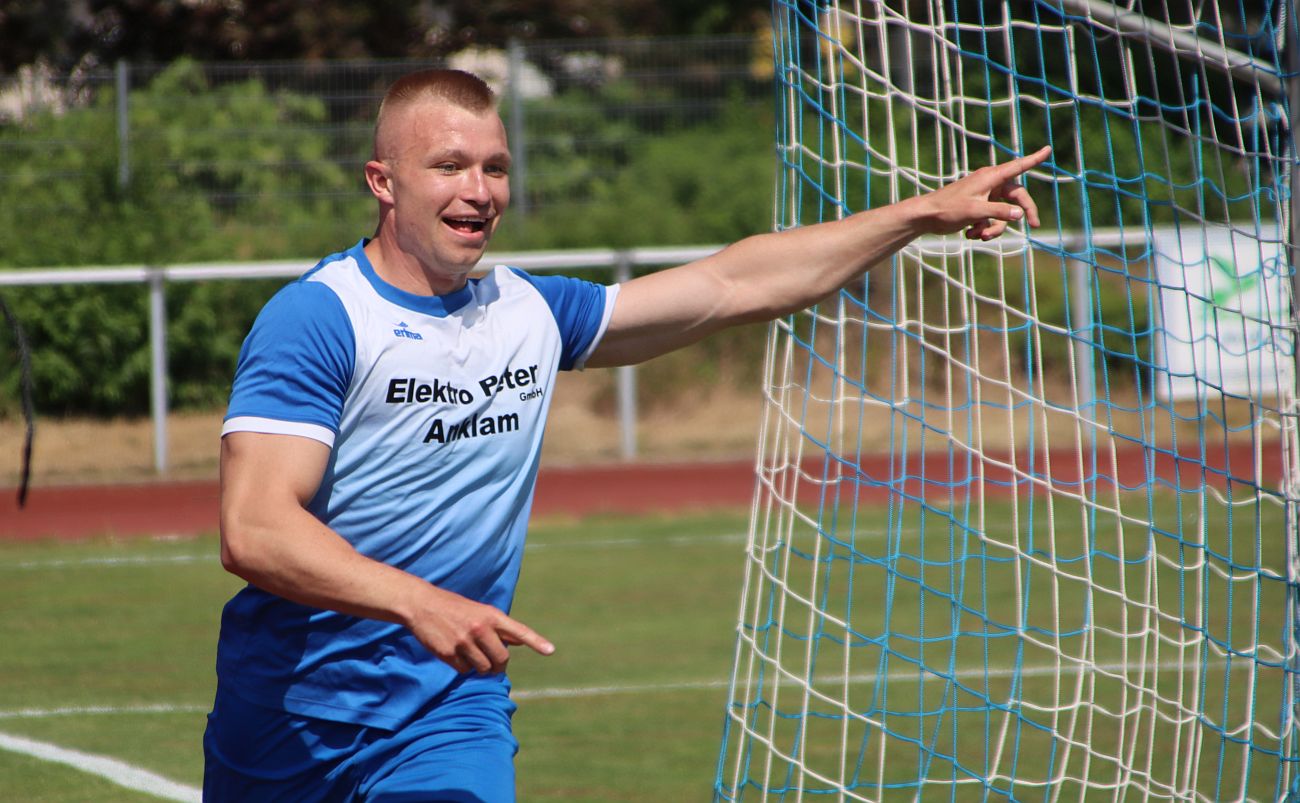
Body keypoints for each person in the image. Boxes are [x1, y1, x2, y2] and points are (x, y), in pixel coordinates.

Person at [204, 67, 1050, 801]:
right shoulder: (319, 319)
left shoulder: (528, 311)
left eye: (496, 166)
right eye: (449, 165)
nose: (480, 189)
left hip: (448, 702)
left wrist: (918, 214)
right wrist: (418, 599)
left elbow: (732, 283)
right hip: (290, 709)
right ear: (383, 182)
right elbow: (255, 528)